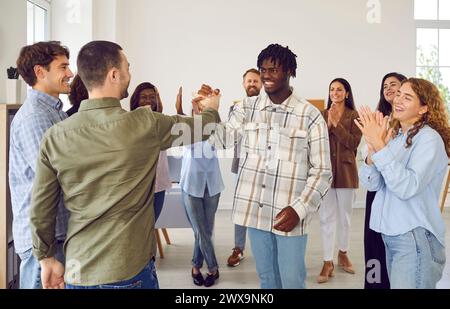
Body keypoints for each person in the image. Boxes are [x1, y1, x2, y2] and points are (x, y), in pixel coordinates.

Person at [29, 40, 221, 289]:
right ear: (114, 74)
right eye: (128, 68)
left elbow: (41, 208)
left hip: (78, 271)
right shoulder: (145, 124)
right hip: (129, 271)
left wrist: (45, 259)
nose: (130, 74)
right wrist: (212, 109)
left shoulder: (55, 136)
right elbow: (201, 129)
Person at [208, 43, 332, 289]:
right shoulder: (246, 108)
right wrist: (209, 109)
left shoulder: (309, 115)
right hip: (255, 212)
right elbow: (220, 141)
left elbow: (322, 171)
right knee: (267, 279)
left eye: (273, 69)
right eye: (263, 69)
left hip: (289, 214)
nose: (265, 75)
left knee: (292, 280)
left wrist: (300, 208)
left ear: (289, 71)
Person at [357, 78, 450, 289]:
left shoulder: (429, 139)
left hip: (414, 239)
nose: (398, 99)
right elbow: (371, 184)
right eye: (399, 94)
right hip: (391, 236)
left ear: (424, 108)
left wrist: (381, 147)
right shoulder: (397, 137)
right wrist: (373, 150)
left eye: (407, 97)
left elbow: (407, 187)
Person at [9, 41, 72, 289]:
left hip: (56, 237)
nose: (70, 73)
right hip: (46, 244)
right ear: (39, 72)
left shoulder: (55, 111)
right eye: (63, 67)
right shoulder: (35, 116)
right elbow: (56, 176)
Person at [364, 72, 406, 289]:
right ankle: (374, 285)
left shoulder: (410, 123)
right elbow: (368, 156)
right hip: (377, 189)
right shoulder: (377, 119)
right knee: (373, 247)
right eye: (385, 86)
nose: (389, 88)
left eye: (394, 85)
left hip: (399, 192)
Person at [317, 78, 362, 283]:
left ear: (347, 93)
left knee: (345, 218)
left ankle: (343, 253)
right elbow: (317, 144)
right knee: (326, 218)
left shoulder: (354, 116)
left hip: (346, 172)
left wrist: (336, 125)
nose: (335, 92)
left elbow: (352, 143)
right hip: (326, 173)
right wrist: (328, 125)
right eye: (332, 89)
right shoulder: (321, 114)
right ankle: (327, 261)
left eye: (339, 89)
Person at [176, 101, 224, 287]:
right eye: (200, 108)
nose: (203, 111)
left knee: (205, 230)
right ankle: (213, 267)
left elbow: (221, 144)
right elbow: (188, 144)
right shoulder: (188, 129)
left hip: (212, 185)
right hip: (191, 185)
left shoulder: (216, 130)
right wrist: (190, 115)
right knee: (200, 230)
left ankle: (196, 267)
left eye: (207, 108)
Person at [227, 68, 262, 267]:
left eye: (255, 81)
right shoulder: (235, 109)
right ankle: (238, 248)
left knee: (262, 208)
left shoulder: (269, 108)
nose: (252, 84)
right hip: (240, 166)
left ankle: (263, 249)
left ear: (261, 84)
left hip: (264, 167)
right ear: (243, 84)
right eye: (249, 81)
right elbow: (232, 135)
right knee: (241, 208)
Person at [129, 82, 174, 221]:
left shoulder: (162, 121)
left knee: (152, 223)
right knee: (140, 226)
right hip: (138, 185)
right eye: (143, 97)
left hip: (158, 183)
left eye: (152, 97)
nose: (148, 100)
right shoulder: (129, 122)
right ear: (136, 99)